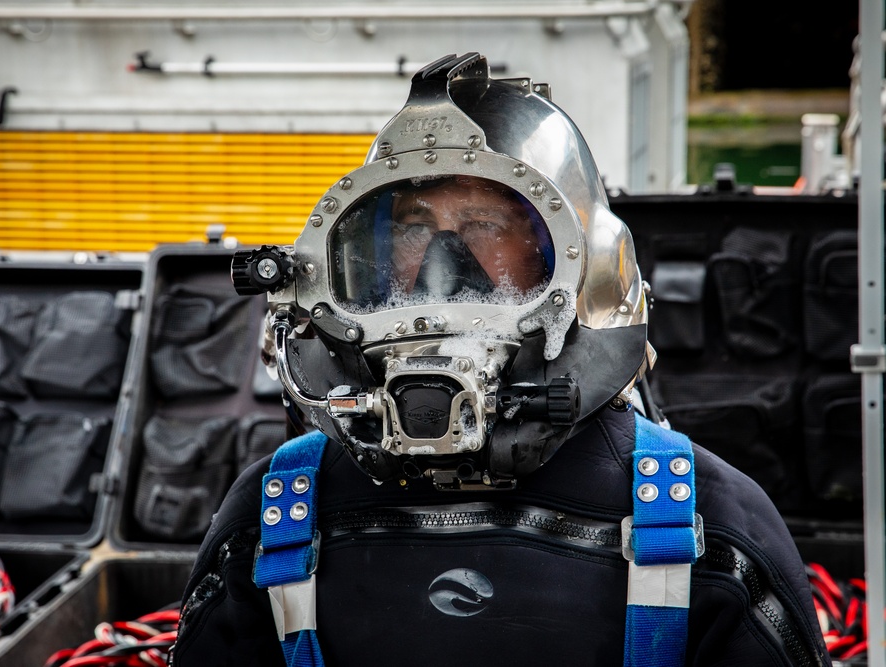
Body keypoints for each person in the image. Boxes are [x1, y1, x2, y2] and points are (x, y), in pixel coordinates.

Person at [170, 53, 830, 666]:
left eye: (485, 224)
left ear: (583, 264)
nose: (439, 264)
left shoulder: (706, 533)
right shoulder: (268, 520)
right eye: (412, 225)